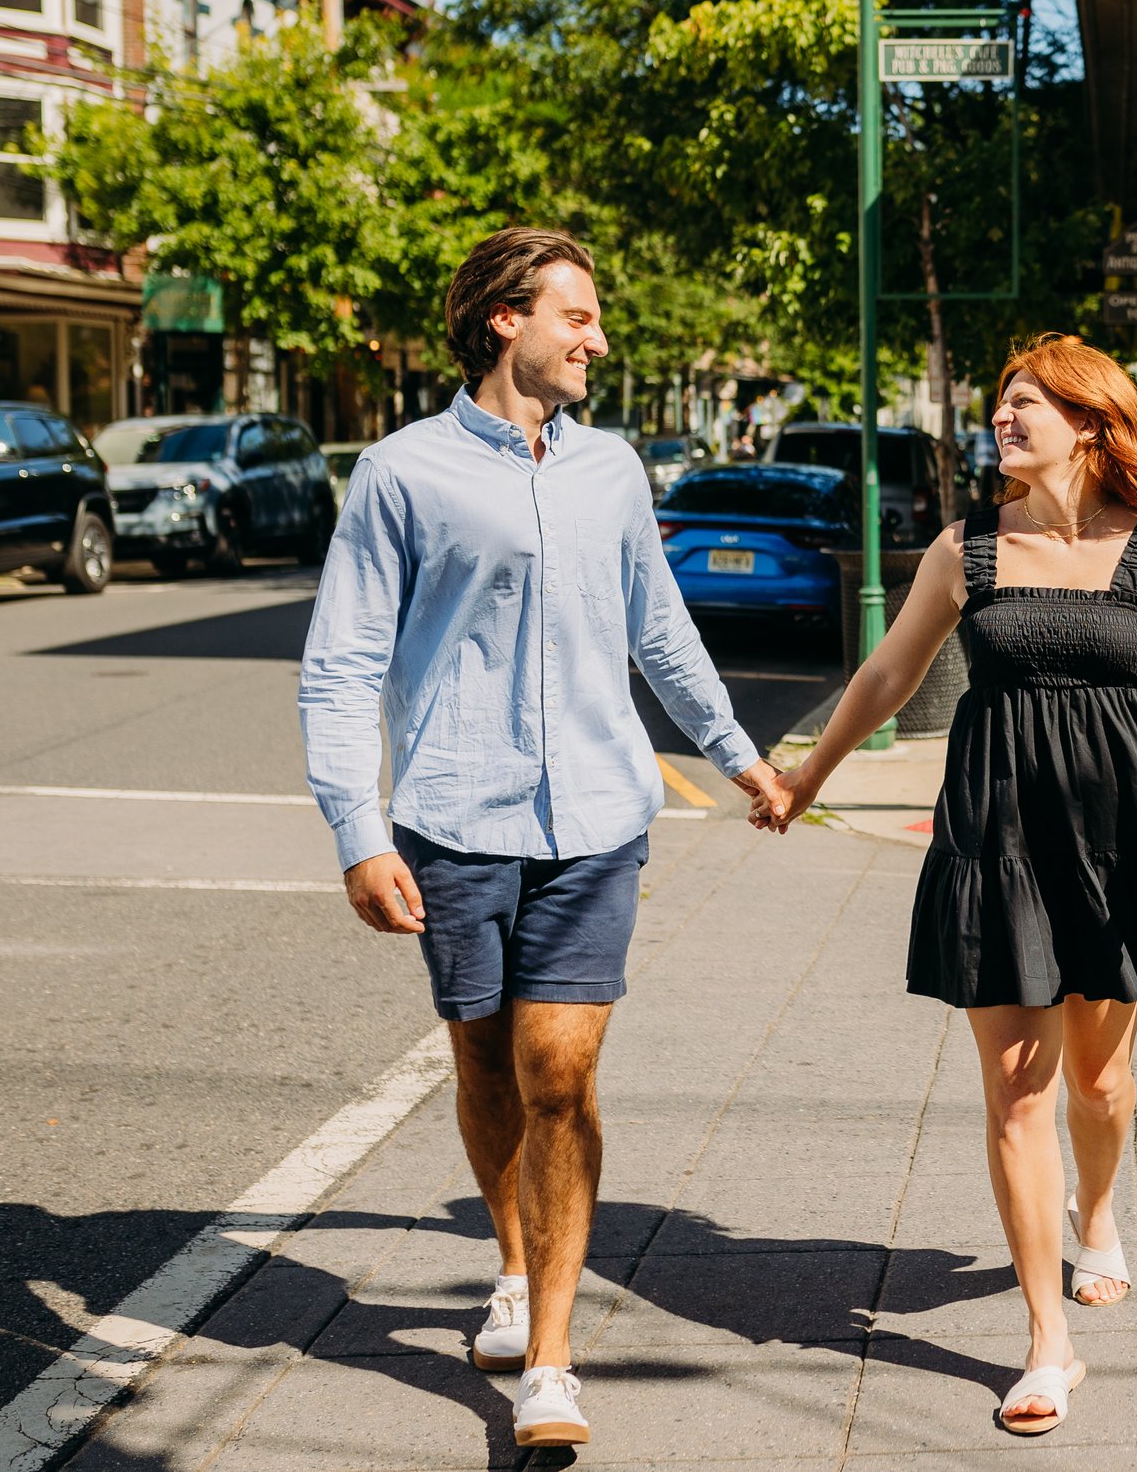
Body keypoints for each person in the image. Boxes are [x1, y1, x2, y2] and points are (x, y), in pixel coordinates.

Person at [297, 227, 782, 1450]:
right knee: (483, 1064)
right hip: (455, 815)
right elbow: (343, 661)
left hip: (601, 814)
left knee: (557, 1070)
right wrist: (360, 829)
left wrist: (735, 752)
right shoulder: (399, 472)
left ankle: (551, 1360)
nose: (597, 338)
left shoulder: (611, 468)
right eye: (580, 314)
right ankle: (513, 1268)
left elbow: (657, 624)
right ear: (505, 318)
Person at [756, 333, 1137, 1438]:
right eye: (999, 403)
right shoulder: (965, 549)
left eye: (1025, 402)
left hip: (1119, 841)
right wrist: (806, 775)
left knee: (1098, 1084)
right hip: (997, 836)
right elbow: (889, 674)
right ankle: (1045, 1339)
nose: (1001, 418)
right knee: (1016, 1089)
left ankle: (1099, 1208)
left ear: (1090, 421)